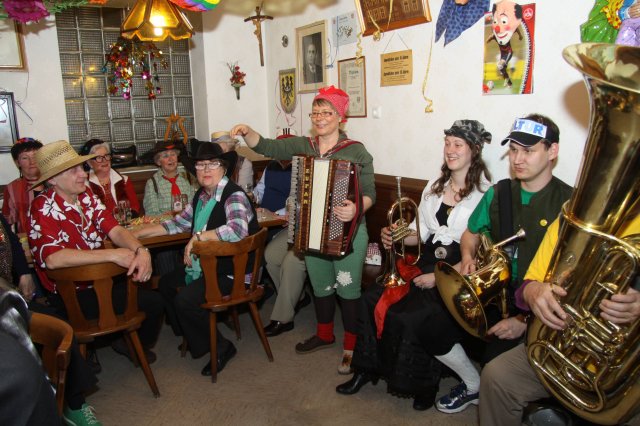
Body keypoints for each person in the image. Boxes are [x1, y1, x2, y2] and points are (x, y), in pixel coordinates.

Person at [336, 120, 493, 412]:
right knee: (370, 298)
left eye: (458, 144)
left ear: (474, 150)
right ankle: (365, 369)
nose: (450, 150)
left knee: (414, 315)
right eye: (447, 143)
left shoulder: (486, 194)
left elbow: (481, 252)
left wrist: (439, 277)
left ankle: (423, 384)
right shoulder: (435, 188)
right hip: (426, 259)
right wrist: (396, 235)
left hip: (457, 271)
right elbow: (418, 235)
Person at [231, 85, 376, 373]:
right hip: (311, 229)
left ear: (340, 117)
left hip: (348, 232)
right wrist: (248, 131)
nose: (320, 118)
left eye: (327, 112)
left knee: (347, 289)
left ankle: (351, 347)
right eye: (315, 112)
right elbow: (269, 146)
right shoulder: (304, 145)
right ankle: (324, 334)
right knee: (321, 286)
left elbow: (370, 191)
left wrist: (357, 208)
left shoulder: (356, 151)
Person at [478, 216, 640, 425]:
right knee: (498, 376)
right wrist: (533, 291)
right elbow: (527, 285)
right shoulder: (574, 217)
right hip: (561, 347)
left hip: (624, 368)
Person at [28, 140, 163, 364]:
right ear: (52, 180)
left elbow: (115, 228)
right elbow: (52, 258)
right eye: (73, 170)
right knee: (150, 301)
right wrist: (112, 254)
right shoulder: (42, 207)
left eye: (81, 168)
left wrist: (141, 249)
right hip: (71, 294)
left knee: (155, 302)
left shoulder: (86, 196)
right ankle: (116, 344)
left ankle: (127, 344)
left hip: (102, 282)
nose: (83, 174)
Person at [132, 142, 260, 377]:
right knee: (166, 284)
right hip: (210, 265)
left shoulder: (233, 195)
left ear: (224, 168)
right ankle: (192, 333)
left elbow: (238, 229)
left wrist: (199, 237)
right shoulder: (202, 195)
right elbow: (179, 223)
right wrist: (139, 233)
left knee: (185, 301)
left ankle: (222, 346)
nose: (206, 169)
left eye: (213, 164)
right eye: (201, 165)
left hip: (234, 271)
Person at [459, 114, 573, 366]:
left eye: (528, 151)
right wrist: (467, 256)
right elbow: (470, 233)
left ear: (552, 151)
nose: (517, 159)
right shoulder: (498, 193)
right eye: (513, 150)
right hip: (500, 294)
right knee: (438, 321)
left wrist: (524, 321)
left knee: (494, 363)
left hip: (542, 307)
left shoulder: (571, 205)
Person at [0, 213, 101, 425]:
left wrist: (24, 273)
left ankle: (74, 404)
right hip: (6, 304)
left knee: (61, 328)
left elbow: (13, 242)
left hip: (9, 296)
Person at [82, 139, 141, 217]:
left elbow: (135, 207)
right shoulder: (84, 186)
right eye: (99, 157)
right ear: (89, 162)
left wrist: (126, 217)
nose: (104, 160)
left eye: (106, 156)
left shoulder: (124, 180)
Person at [143, 139, 197, 216]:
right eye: (165, 156)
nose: (171, 159)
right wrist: (170, 215)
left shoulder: (188, 177)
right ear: (158, 162)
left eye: (173, 154)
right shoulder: (152, 183)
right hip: (164, 222)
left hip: (189, 220)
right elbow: (151, 214)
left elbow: (196, 204)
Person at [2, 137, 44, 233]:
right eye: (25, 158)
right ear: (17, 163)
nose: (32, 162)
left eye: (35, 156)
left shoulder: (55, 181)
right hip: (26, 239)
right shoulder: (12, 188)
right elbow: (7, 221)